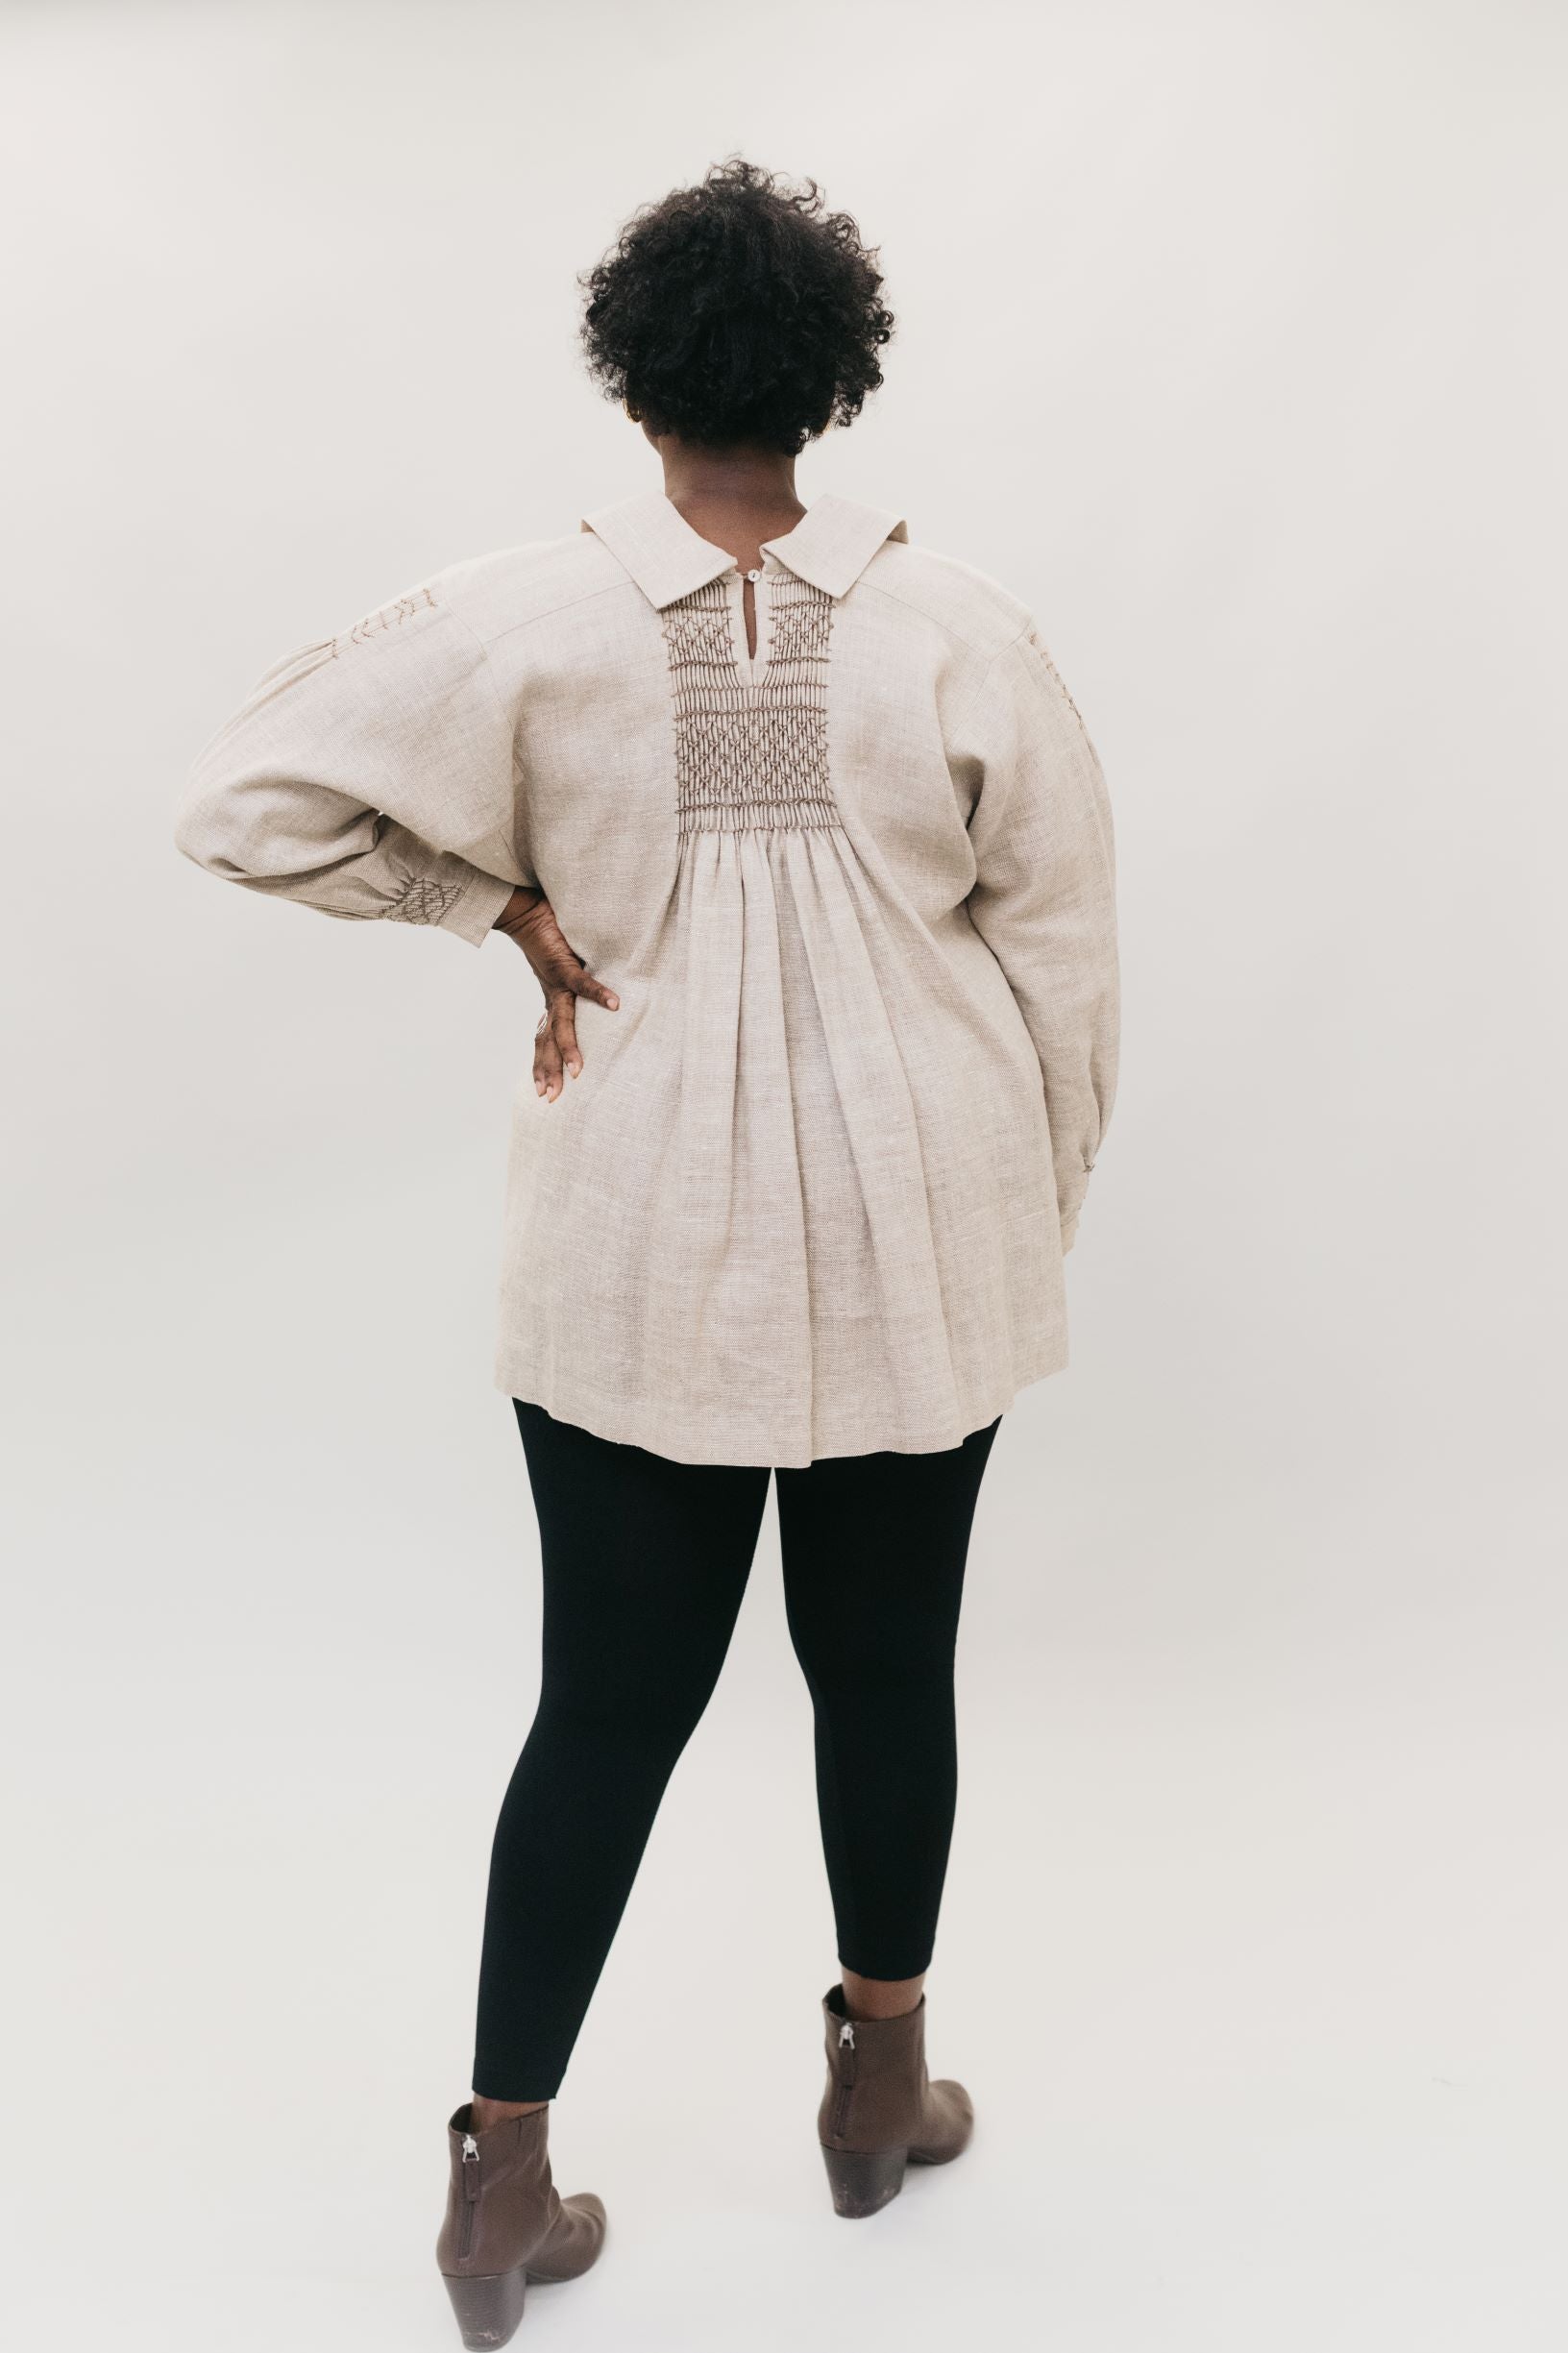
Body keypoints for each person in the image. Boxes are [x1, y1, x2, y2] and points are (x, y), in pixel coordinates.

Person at [174, 156, 1119, 2346]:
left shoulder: (523, 613)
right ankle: (878, 2095)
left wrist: (499, 909)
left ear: (638, 377)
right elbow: (1065, 954)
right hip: (929, 1224)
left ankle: (498, 2186)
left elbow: (247, 796)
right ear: (834, 380)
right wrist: (1025, 1210)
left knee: (603, 1704)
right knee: (888, 1670)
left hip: (631, 1237)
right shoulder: (962, 622)